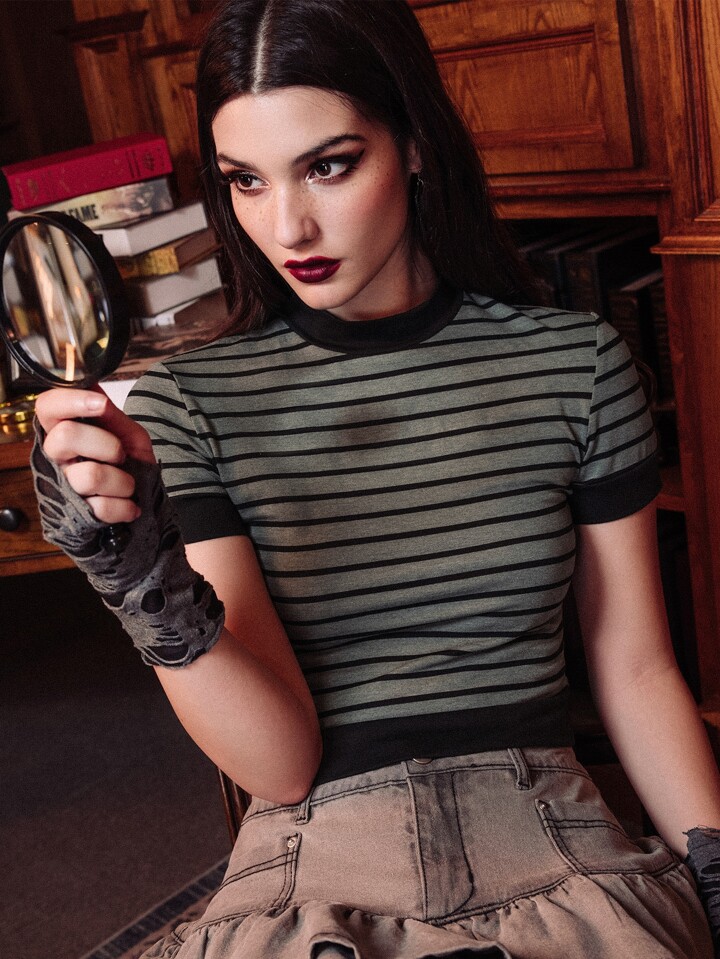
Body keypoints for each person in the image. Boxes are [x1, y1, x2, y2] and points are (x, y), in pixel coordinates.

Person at [30, 1, 720, 956]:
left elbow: (636, 669)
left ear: (416, 144)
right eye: (245, 180)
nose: (288, 224)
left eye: (329, 165)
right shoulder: (192, 402)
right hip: (315, 863)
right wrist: (133, 570)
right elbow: (280, 766)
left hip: (546, 840)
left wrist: (714, 864)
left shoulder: (577, 364)